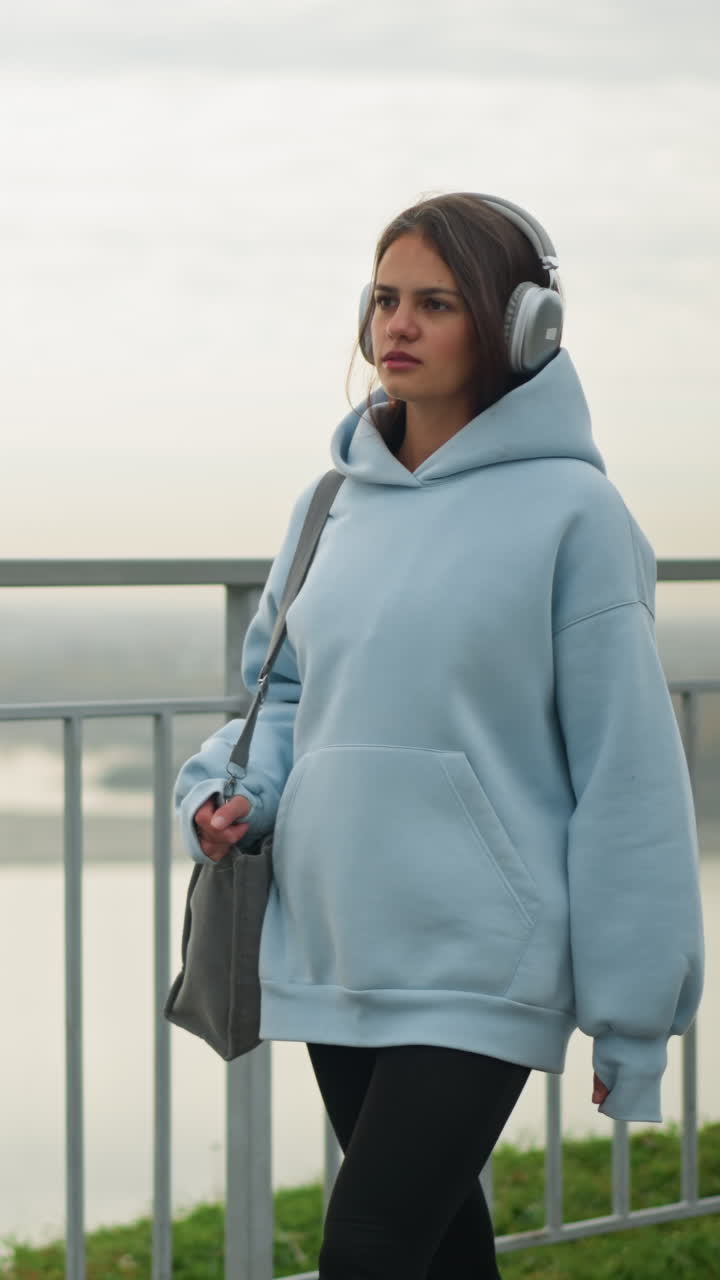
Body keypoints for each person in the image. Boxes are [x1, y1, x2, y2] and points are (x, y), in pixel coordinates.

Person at [174, 192, 705, 1279]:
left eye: (437, 302)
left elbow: (628, 776)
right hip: (337, 939)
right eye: (384, 299)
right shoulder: (330, 504)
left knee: (367, 1247)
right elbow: (283, 696)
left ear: (519, 328)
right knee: (439, 1249)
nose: (398, 326)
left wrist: (633, 1016)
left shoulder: (577, 516)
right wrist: (234, 795)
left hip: (483, 958)